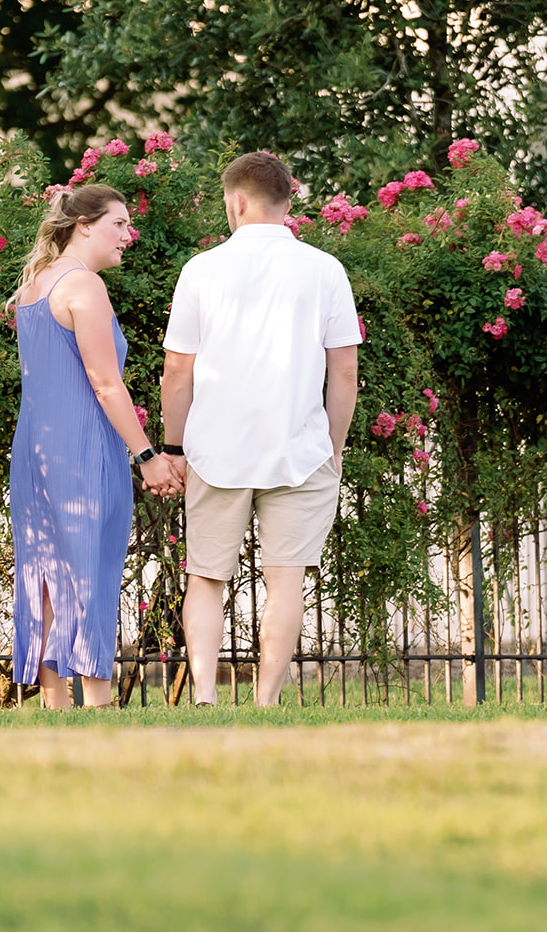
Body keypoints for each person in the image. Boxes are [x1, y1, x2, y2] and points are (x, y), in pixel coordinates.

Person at [160, 152, 361, 706]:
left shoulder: (201, 271)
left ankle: (204, 696)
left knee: (205, 576)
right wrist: (333, 447)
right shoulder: (325, 269)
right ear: (288, 202)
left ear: (236, 201)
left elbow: (179, 369)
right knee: (286, 580)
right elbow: (344, 371)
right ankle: (266, 701)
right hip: (299, 450)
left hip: (215, 450)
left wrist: (173, 447)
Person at [9, 183, 184, 709]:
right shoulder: (84, 287)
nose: (129, 237)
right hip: (84, 449)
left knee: (43, 571)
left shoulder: (35, 283)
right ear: (84, 225)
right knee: (89, 568)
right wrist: (148, 456)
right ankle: (99, 704)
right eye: (119, 224)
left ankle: (54, 705)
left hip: (35, 450)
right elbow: (105, 383)